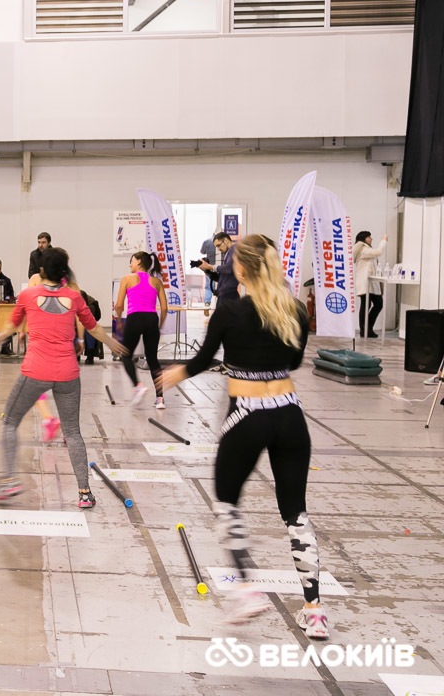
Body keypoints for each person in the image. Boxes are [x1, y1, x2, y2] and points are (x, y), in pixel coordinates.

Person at [160, 235, 327, 640]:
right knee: (296, 513)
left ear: (239, 269)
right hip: (289, 414)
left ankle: (247, 588)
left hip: (248, 415)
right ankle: (315, 610)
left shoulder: (230, 311)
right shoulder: (293, 309)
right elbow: (294, 362)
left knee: (227, 501)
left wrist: (175, 374)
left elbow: (203, 360)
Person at [0, 247, 126, 505]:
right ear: (64, 270)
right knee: (72, 432)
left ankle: (9, 482)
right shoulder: (74, 297)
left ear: (41, 270)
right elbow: (94, 328)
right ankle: (85, 493)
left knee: (10, 422)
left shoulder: (28, 295)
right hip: (67, 374)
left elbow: (12, 325)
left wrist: (0, 337)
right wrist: (113, 343)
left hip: (35, 371)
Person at [114, 251, 168, 409]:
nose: (129, 264)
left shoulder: (127, 279)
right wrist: (160, 325)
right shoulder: (156, 281)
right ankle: (160, 398)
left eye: (131, 261)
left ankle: (138, 386)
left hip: (134, 318)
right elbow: (164, 308)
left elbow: (119, 305)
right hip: (151, 319)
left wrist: (119, 320)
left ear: (138, 262)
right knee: (153, 360)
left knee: (126, 355)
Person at [353, 231, 388, 338]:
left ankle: (367, 328)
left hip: (371, 282)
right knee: (366, 305)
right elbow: (379, 251)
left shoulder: (366, 248)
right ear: (363, 239)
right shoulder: (362, 249)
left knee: (378, 304)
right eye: (368, 237)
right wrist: (383, 240)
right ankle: (364, 330)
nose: (371, 239)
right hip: (365, 282)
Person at [198, 233, 239, 301]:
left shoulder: (234, 249)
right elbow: (221, 277)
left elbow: (229, 268)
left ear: (226, 241)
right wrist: (207, 270)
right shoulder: (228, 253)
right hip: (225, 295)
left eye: (219, 245)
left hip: (229, 297)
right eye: (216, 247)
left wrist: (209, 266)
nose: (218, 249)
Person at [199, 235, 217, 304]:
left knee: (208, 285)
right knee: (221, 284)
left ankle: (207, 301)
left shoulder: (207, 242)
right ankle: (220, 302)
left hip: (209, 266)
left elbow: (202, 252)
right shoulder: (222, 242)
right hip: (219, 267)